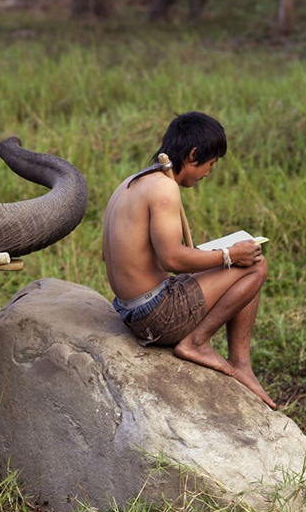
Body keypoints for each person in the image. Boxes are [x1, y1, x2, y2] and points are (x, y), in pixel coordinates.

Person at [101, 112, 276, 409]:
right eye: (211, 164)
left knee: (237, 262)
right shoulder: (164, 189)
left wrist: (216, 258)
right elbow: (172, 259)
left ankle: (237, 362)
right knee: (256, 265)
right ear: (194, 155)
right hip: (156, 315)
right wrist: (228, 255)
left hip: (129, 308)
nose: (208, 173)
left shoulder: (133, 182)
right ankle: (200, 344)